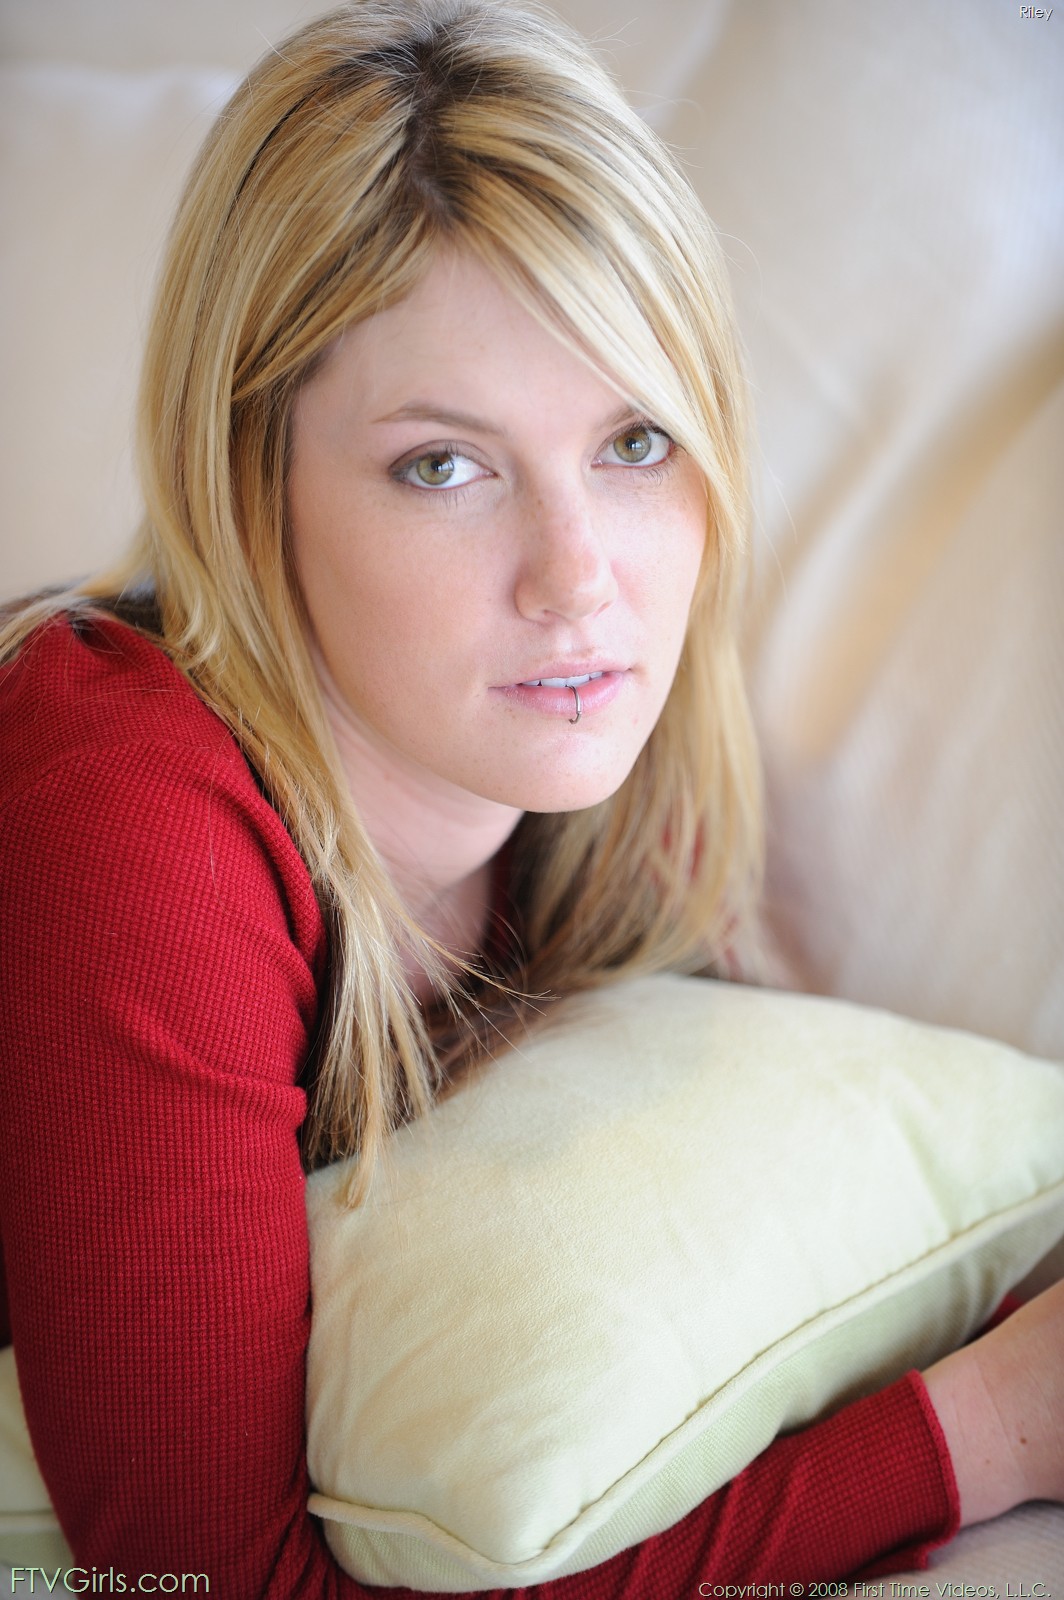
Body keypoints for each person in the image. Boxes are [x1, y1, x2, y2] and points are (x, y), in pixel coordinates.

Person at [1, 1, 1061, 1593]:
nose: (579, 581)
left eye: (634, 442)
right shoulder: (129, 818)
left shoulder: (601, 795)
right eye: (445, 465)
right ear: (247, 483)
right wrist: (984, 1437)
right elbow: (203, 1579)